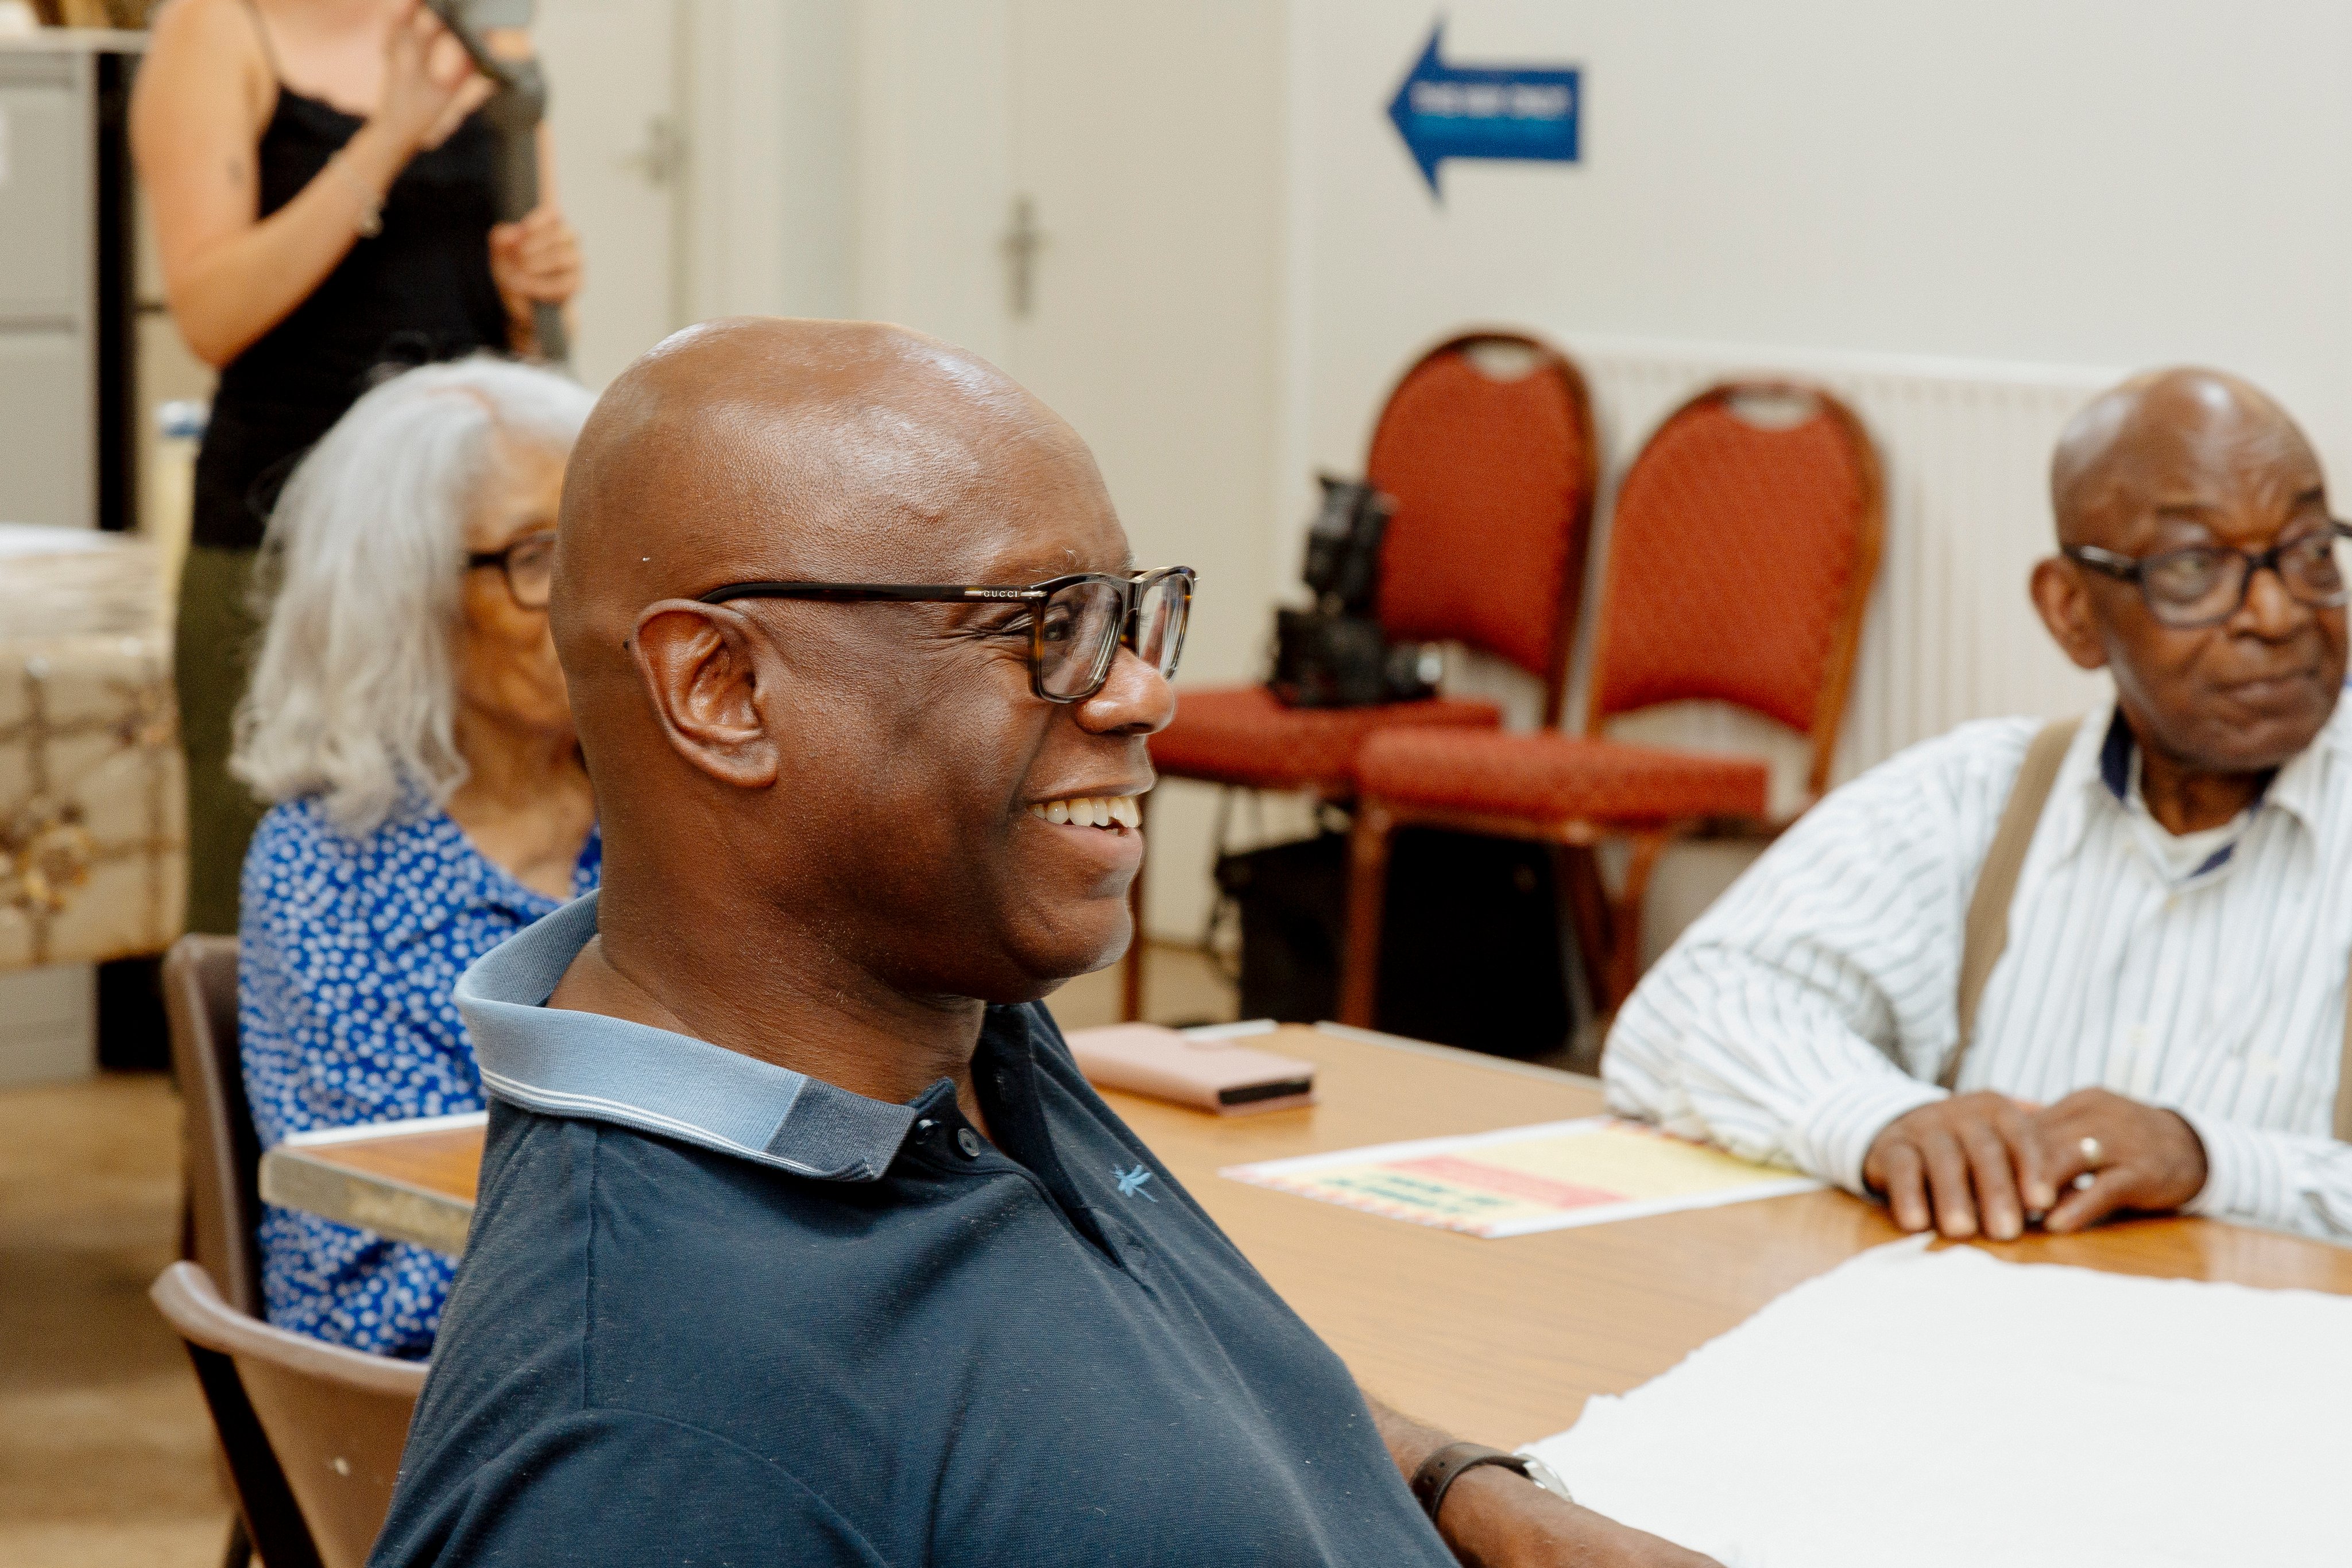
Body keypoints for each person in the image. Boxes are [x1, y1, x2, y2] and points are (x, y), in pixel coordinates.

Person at [369, 319, 1715, 1567]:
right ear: (722, 689)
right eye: (1044, 626)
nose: (1144, 688)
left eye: (1124, 615)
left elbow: (1172, 1373)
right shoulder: (644, 1431)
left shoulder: (951, 1023)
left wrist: (1474, 1497)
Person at [1607, 367, 2352, 1244]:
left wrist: (2212, 1160)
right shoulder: (1980, 797)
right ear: (2072, 612)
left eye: (2309, 552)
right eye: (2194, 568)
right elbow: (1688, 1013)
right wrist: (1883, 1121)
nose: (2274, 612)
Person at [134, 0, 582, 936]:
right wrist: (386, 139)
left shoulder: (485, 37)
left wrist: (526, 290)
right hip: (279, 542)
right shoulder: (217, 31)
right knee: (263, 882)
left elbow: (532, 340)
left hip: (472, 556)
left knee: (473, 860)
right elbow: (210, 314)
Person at [235, 357, 600, 1356]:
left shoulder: (668, 818)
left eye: (604, 550)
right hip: (443, 1387)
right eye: (537, 557)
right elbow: (397, 1233)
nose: (590, 602)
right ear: (407, 597)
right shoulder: (328, 871)